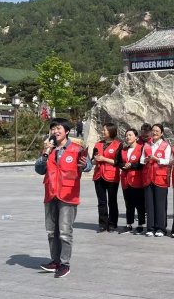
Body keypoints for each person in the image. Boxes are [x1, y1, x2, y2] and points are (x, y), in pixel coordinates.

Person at [34, 118, 91, 278]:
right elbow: (39, 169)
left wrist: (84, 165)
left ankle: (64, 264)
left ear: (66, 131)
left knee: (65, 232)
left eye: (58, 128)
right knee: (52, 231)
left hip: (68, 195)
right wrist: (45, 154)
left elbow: (88, 166)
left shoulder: (77, 149)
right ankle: (55, 261)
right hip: (50, 193)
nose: (55, 131)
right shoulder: (49, 149)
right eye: (53, 129)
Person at [141, 123, 171, 237]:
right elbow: (141, 160)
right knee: (149, 204)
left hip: (160, 177)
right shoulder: (146, 145)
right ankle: (150, 227)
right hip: (148, 177)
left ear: (161, 133)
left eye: (157, 131)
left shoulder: (166, 145)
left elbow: (168, 161)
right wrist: (146, 159)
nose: (154, 133)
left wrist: (157, 159)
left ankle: (161, 228)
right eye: (153, 131)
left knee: (160, 204)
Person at [92, 123, 122, 232]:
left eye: (105, 130)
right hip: (98, 175)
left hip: (112, 176)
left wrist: (103, 159)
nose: (103, 131)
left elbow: (118, 162)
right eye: (103, 130)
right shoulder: (98, 144)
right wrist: (94, 160)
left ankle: (113, 223)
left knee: (112, 201)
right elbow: (93, 159)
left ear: (111, 131)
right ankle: (103, 224)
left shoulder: (118, 145)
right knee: (101, 201)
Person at [118, 128, 145, 234]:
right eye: (126, 135)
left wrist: (132, 165)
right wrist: (123, 166)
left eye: (130, 135)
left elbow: (142, 163)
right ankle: (129, 224)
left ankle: (140, 225)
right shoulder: (123, 150)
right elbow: (118, 162)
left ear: (136, 137)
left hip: (137, 179)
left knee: (139, 203)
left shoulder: (141, 148)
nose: (127, 137)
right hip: (125, 180)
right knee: (128, 203)